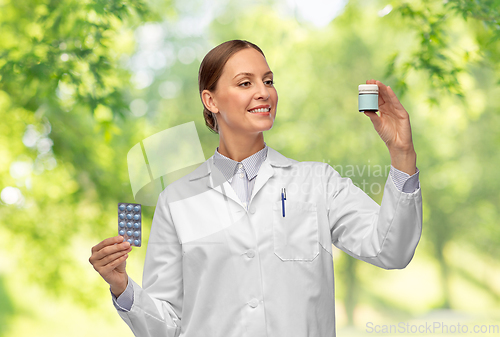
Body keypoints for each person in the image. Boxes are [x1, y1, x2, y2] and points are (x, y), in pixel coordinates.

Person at [89, 39, 422, 337]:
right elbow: (168, 327)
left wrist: (402, 153)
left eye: (268, 81)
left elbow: (391, 249)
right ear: (211, 100)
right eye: (245, 83)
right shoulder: (177, 201)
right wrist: (122, 286)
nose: (264, 92)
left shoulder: (317, 183)